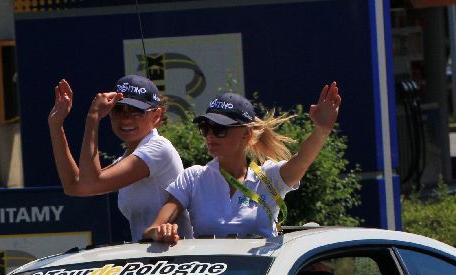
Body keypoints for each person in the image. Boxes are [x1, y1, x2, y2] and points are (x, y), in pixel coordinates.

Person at [142, 83, 341, 243]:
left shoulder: (268, 177)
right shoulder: (193, 177)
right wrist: (160, 232)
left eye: (220, 129)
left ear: (246, 134)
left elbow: (302, 161)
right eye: (205, 128)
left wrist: (322, 130)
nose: (210, 136)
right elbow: (152, 229)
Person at [48, 74, 191, 241]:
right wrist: (55, 125)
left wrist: (93, 117)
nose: (126, 118)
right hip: (151, 260)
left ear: (156, 115)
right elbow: (75, 187)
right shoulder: (128, 158)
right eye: (118, 110)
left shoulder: (158, 149)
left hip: (176, 260)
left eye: (136, 111)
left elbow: (89, 183)